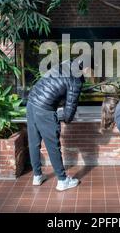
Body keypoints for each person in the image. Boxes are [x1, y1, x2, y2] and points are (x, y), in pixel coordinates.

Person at [26, 59, 89, 191]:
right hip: (45, 109)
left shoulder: (64, 64)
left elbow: (55, 86)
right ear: (86, 68)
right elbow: (70, 109)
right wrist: (64, 118)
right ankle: (62, 180)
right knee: (53, 145)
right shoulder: (75, 79)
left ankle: (37, 176)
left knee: (34, 142)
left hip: (32, 101)